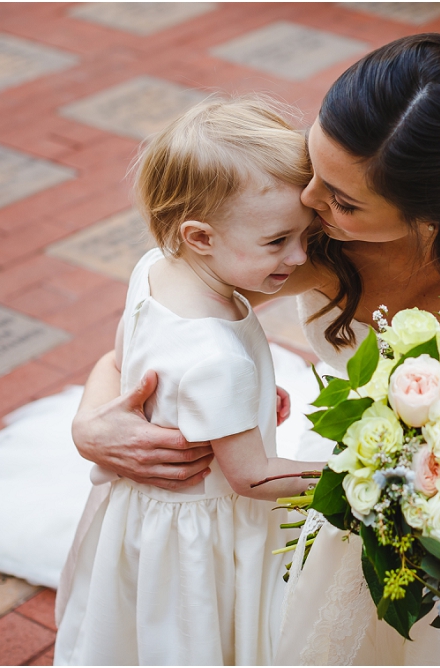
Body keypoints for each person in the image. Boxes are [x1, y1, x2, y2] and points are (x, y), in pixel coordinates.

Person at [13, 34, 440, 664]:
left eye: (343, 201)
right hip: (365, 452)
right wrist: (91, 420)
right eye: (315, 163)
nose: (309, 199)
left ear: (432, 211)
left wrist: (415, 496)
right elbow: (163, 334)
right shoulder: (295, 225)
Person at [53, 96, 324, 665]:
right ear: (200, 236)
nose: (299, 256)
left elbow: (133, 366)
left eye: (304, 234)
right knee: (192, 633)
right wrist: (358, 475)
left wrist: (236, 407)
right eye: (277, 241)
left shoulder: (152, 267)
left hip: (141, 516)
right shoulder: (217, 359)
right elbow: (252, 479)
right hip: (200, 530)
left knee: (140, 626)